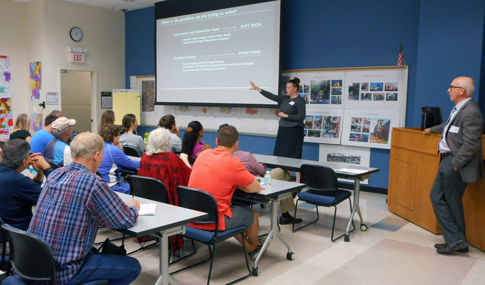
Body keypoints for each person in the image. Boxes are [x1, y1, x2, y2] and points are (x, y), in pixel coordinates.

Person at [28, 132, 141, 285]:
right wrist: (133, 208)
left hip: (37, 265)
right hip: (64, 272)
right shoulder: (93, 182)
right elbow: (124, 220)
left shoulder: (55, 175)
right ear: (96, 155)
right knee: (133, 266)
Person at [423, 76, 483, 254]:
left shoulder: (471, 111)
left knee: (451, 201)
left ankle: (456, 240)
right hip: (447, 161)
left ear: (462, 90)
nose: (448, 90)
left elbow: (472, 143)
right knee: (439, 197)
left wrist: (456, 164)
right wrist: (431, 129)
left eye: (452, 87)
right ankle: (456, 239)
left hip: (455, 162)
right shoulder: (460, 109)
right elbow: (449, 126)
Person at [188, 125, 263, 257]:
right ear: (236, 144)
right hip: (214, 220)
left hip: (193, 216)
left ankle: (249, 247)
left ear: (217, 142)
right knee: (253, 214)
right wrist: (237, 184)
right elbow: (256, 187)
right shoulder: (233, 163)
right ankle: (256, 245)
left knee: (230, 210)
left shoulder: (202, 155)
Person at [218, 124, 303, 225]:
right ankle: (286, 211)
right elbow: (262, 170)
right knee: (281, 172)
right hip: (254, 188)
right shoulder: (246, 157)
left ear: (217, 141)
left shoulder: (212, 157)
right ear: (236, 144)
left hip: (234, 193)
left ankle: (289, 196)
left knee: (279, 174)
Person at [137, 128, 192, 252]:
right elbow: (189, 176)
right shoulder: (171, 158)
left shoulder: (145, 156)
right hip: (167, 206)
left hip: (148, 202)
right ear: (167, 143)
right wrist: (185, 160)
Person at [0, 139, 53, 230]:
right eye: (29, 156)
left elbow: (29, 192)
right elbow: (52, 198)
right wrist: (46, 168)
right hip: (20, 234)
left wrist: (39, 174)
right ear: (24, 162)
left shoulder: (16, 180)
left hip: (5, 232)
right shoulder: (19, 181)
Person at [98, 124, 140, 194]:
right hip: (110, 186)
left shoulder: (99, 146)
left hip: (100, 185)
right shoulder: (114, 150)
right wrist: (145, 160)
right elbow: (132, 164)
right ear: (114, 137)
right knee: (134, 187)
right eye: (118, 135)